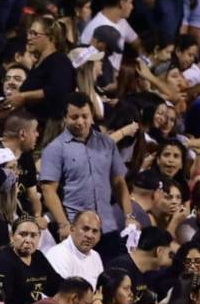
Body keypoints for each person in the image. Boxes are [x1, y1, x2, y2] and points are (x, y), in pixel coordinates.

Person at [39, 92, 131, 253]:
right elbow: (48, 190)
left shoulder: (107, 143)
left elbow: (119, 182)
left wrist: (130, 216)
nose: (80, 122)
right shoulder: (55, 149)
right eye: (74, 117)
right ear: (65, 118)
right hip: (76, 230)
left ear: (92, 116)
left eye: (85, 116)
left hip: (107, 226)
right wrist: (63, 224)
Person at [0, 216, 58, 304]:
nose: (28, 240)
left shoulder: (38, 256)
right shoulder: (1, 263)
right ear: (11, 236)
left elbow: (57, 286)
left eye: (33, 235)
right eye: (23, 234)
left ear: (39, 237)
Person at [45, 210, 104, 286]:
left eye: (95, 231)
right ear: (72, 229)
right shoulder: (58, 254)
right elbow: (62, 292)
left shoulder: (95, 256)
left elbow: (101, 289)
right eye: (85, 229)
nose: (90, 235)